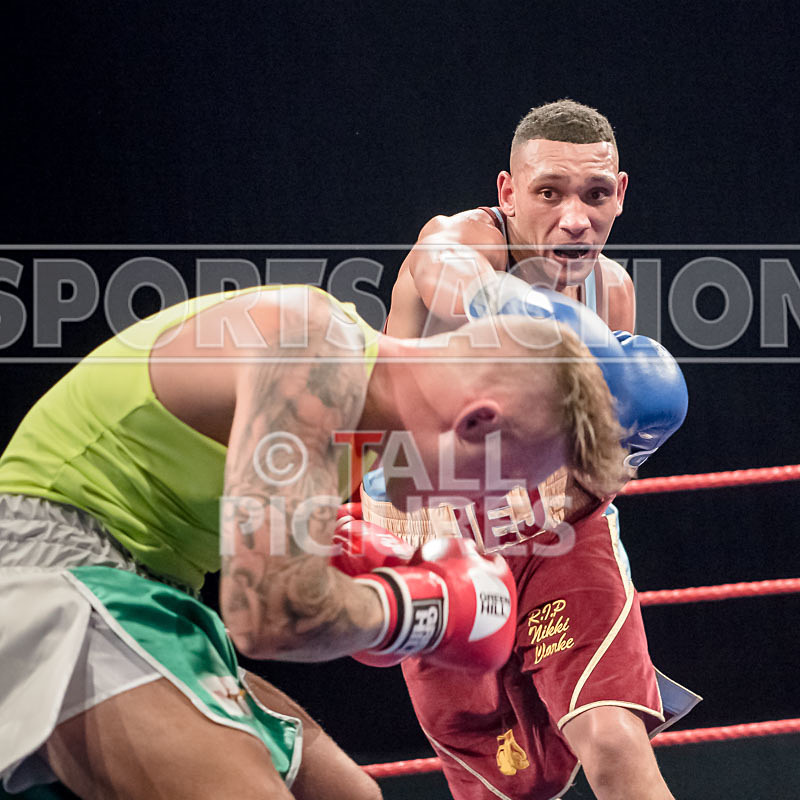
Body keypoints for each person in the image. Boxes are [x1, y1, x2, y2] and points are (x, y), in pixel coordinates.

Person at [0, 283, 628, 799]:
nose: (489, 512)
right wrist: (434, 611)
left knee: (349, 796)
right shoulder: (314, 349)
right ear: (477, 422)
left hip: (155, 596)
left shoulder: (357, 435)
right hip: (52, 563)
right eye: (503, 484)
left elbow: (285, 582)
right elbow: (268, 611)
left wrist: (366, 580)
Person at [360, 100, 700, 799]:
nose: (575, 217)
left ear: (621, 195)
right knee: (507, 784)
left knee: (611, 740)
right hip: (435, 531)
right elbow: (444, 268)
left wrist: (590, 483)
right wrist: (540, 319)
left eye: (595, 195)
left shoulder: (614, 295)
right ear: (508, 194)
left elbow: (600, 465)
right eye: (550, 192)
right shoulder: (461, 242)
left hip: (556, 532)